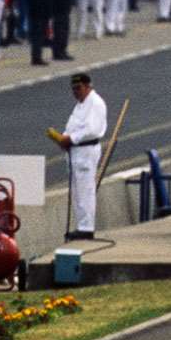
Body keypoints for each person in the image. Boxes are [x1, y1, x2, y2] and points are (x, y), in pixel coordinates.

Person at [50, 71, 108, 239]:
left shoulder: (95, 103)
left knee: (85, 189)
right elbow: (72, 126)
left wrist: (70, 139)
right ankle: (81, 225)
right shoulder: (80, 105)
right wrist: (62, 138)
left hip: (86, 151)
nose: (76, 92)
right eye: (73, 89)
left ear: (88, 86)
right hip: (75, 151)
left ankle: (87, 227)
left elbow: (92, 130)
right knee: (77, 191)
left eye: (79, 88)